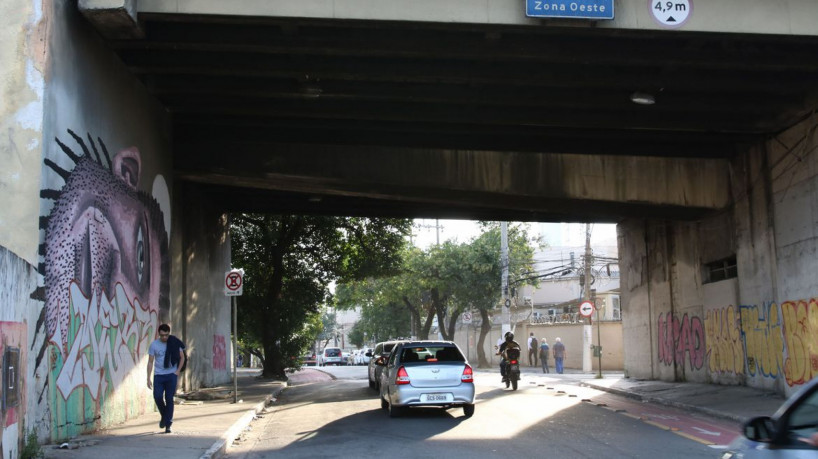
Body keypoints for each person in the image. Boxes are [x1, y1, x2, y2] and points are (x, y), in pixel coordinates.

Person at [147, 323, 186, 433]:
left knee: (169, 399)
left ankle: (168, 424)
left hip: (171, 375)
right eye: (162, 335)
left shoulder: (174, 342)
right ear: (158, 334)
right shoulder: (154, 345)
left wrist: (177, 371)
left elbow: (182, 357)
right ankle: (164, 416)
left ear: (169, 334)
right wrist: (148, 378)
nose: (164, 337)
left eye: (166, 335)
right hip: (158, 375)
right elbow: (150, 362)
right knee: (157, 397)